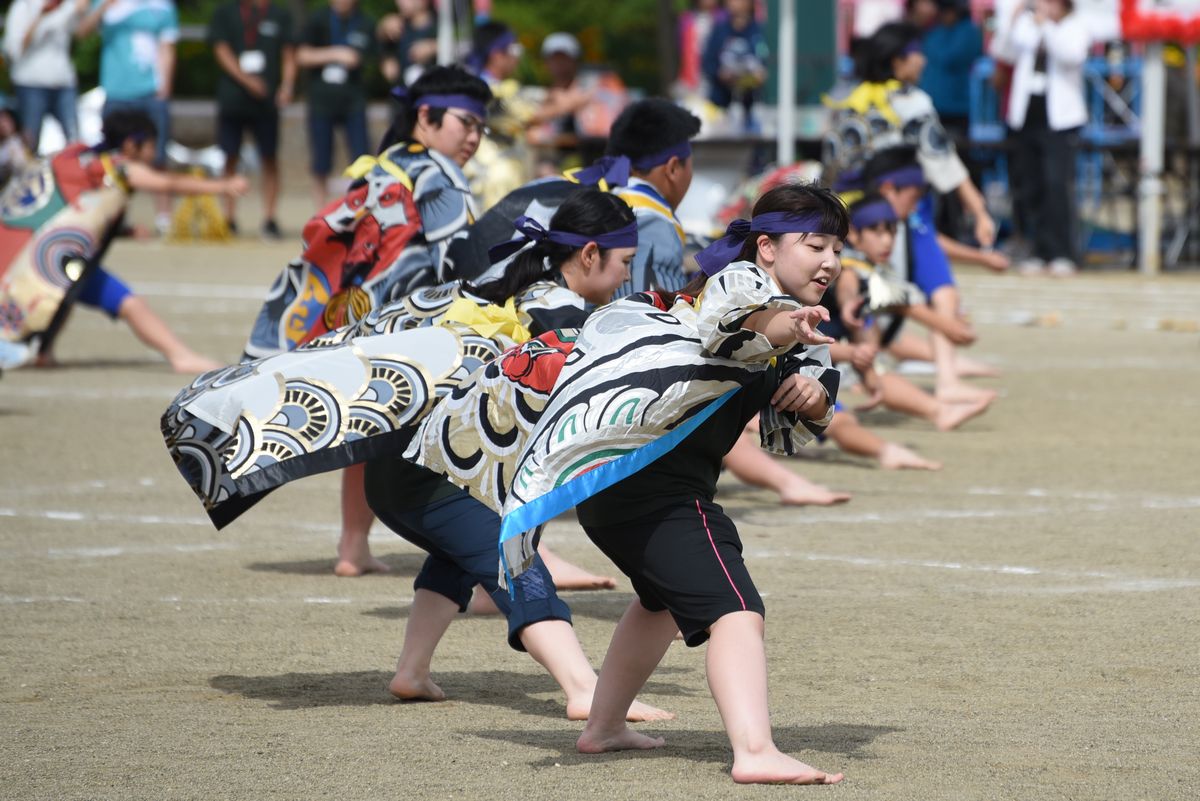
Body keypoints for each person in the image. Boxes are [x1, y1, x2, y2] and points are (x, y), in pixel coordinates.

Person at [528, 183, 848, 784]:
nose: (829, 260)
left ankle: (603, 726)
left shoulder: (804, 328)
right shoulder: (741, 285)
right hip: (651, 484)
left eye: (836, 247)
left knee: (660, 604)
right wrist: (785, 325)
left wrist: (809, 396)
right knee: (735, 610)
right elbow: (732, 325)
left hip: (629, 487)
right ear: (767, 249)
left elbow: (803, 409)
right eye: (814, 245)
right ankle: (755, 752)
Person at [364, 191, 668, 719]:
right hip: (434, 472)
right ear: (590, 254)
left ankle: (412, 670)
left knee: (459, 553)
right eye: (624, 262)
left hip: (408, 464)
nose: (627, 275)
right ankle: (584, 690)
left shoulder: (512, 284)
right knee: (516, 559)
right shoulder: (560, 313)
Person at [0, 110, 247, 371]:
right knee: (128, 302)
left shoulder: (74, 153)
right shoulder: (117, 166)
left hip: (20, 245)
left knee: (70, 289)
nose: (153, 154)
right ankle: (180, 355)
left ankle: (44, 350)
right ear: (131, 145)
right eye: (151, 146)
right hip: (44, 256)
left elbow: (72, 210)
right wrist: (223, 186)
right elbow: (167, 183)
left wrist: (125, 231)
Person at [993, 0, 1088, 277]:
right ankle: (1037, 248)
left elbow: (1071, 55)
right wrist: (1011, 21)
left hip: (1061, 120)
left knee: (1056, 185)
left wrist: (1045, 25)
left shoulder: (1074, 27)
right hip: (1027, 115)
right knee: (1029, 184)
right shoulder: (1028, 25)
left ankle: (1062, 251)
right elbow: (1004, 53)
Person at [76, 0, 179, 236]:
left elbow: (167, 47)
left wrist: (165, 88)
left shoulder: (163, 6)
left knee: (158, 157)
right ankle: (111, 218)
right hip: (116, 92)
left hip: (151, 93)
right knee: (111, 161)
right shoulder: (107, 3)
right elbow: (82, 32)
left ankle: (165, 220)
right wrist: (104, 7)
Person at [208, 0, 296, 238]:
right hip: (234, 97)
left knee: (270, 158)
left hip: (266, 101)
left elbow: (289, 53)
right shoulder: (225, 12)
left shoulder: (279, 14)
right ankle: (228, 218)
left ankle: (269, 218)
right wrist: (247, 80)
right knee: (230, 156)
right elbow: (220, 49)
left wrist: (287, 86)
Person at [297, 0, 375, 208]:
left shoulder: (365, 22)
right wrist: (335, 53)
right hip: (322, 101)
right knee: (320, 161)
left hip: (353, 102)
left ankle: (361, 211)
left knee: (362, 159)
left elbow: (377, 56)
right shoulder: (317, 18)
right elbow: (302, 55)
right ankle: (320, 213)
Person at [3, 0, 86, 152]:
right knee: (30, 143)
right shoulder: (23, 7)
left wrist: (80, 10)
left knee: (75, 141)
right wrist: (42, 16)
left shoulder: (65, 5)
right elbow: (14, 50)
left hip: (64, 82)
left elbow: (81, 32)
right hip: (30, 84)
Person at [702, 0, 767, 132]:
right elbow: (708, 63)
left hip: (751, 106)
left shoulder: (758, 31)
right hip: (721, 105)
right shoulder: (719, 30)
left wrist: (758, 74)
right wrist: (720, 74)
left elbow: (764, 60)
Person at [377, 0, 436, 87]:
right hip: (401, 95)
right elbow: (382, 47)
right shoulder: (397, 26)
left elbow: (459, 46)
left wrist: (433, 47)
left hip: (432, 95)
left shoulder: (442, 26)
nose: (400, 2)